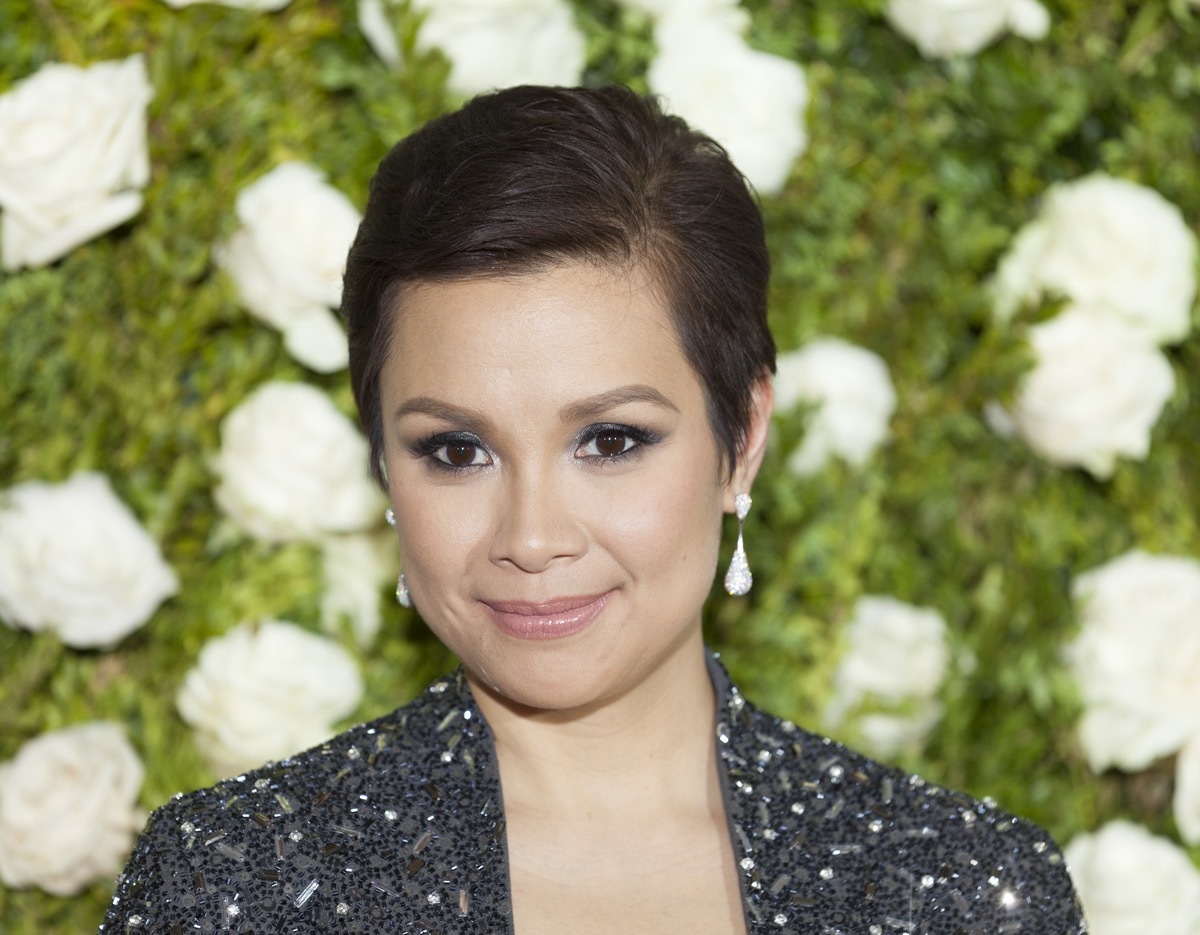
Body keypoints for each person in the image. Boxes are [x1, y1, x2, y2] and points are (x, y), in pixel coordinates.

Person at [101, 85, 1084, 934]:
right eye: (456, 449)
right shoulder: (236, 883)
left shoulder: (955, 888)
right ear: (383, 469)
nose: (531, 536)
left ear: (741, 438)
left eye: (611, 440)